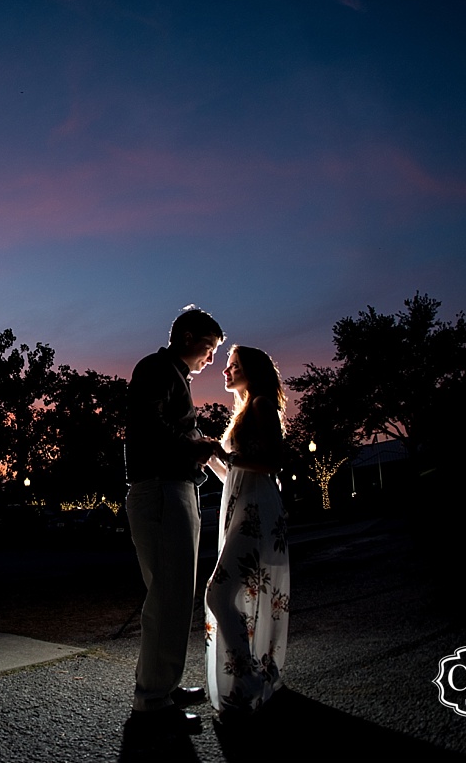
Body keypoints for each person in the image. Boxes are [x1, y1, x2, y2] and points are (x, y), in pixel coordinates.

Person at [124, 305, 224, 733]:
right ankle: (153, 701)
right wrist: (196, 446)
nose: (210, 358)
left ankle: (162, 684)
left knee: (175, 593)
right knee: (168, 595)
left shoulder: (170, 373)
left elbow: (166, 428)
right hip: (162, 490)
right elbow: (151, 425)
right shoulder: (156, 369)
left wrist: (196, 445)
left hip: (173, 487)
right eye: (208, 347)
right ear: (187, 338)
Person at [203, 345, 290, 725]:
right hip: (242, 507)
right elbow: (235, 476)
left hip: (257, 514)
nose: (225, 371)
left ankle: (248, 674)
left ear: (250, 371)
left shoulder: (261, 405)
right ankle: (250, 672)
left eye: (233, 366)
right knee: (226, 592)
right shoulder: (243, 410)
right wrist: (212, 457)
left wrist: (229, 459)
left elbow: (272, 462)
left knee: (218, 592)